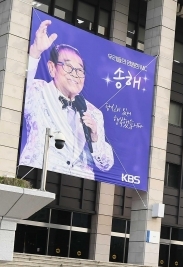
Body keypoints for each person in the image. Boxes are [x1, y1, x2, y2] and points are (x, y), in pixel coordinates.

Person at [20, 20, 114, 180]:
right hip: (35, 173)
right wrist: (35, 52)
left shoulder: (93, 112)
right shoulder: (38, 90)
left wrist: (95, 136)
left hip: (78, 180)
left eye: (80, 70)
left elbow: (105, 165)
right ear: (51, 68)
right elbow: (16, 86)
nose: (75, 74)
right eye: (68, 67)